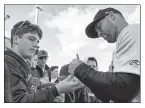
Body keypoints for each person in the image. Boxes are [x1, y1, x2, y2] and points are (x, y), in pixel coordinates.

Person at [68, 7, 140, 102]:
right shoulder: (121, 45)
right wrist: (87, 80)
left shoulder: (133, 31)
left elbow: (125, 89)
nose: (99, 34)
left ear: (111, 16)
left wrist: (80, 69)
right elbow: (111, 93)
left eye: (99, 27)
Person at [4, 20, 82, 102]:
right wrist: (56, 90)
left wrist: (63, 84)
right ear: (16, 39)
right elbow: (19, 101)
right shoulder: (7, 62)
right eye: (31, 39)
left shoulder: (21, 65)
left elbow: (37, 87)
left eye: (37, 42)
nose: (36, 45)